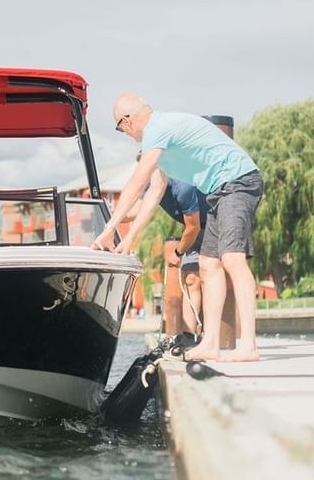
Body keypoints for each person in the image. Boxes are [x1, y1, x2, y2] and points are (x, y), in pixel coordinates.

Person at [92, 94, 263, 362]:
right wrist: (131, 237)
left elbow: (138, 182)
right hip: (218, 191)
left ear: (127, 121)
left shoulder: (158, 129)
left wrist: (108, 228)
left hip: (238, 182)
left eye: (119, 127)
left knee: (233, 259)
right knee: (208, 264)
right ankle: (210, 343)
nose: (123, 134)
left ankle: (248, 346)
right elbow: (153, 194)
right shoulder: (161, 142)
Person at [117, 160, 207, 336]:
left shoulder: (182, 184)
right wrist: (113, 218)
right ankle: (188, 336)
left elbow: (193, 226)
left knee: (209, 276)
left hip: (210, 224)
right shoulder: (151, 185)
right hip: (194, 228)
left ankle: (211, 335)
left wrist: (178, 252)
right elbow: (135, 211)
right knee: (191, 279)